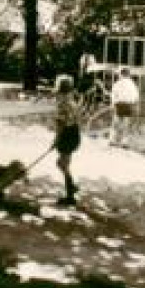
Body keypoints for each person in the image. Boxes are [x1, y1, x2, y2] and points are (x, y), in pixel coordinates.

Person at [53, 74, 83, 206]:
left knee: (61, 163)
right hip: (75, 133)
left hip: (66, 134)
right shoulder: (72, 102)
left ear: (59, 90)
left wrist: (56, 139)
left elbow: (61, 124)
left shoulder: (62, 104)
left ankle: (70, 194)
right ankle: (71, 187)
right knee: (65, 163)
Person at [109, 67, 140, 147]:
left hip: (119, 104)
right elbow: (136, 96)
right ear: (128, 75)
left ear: (121, 74)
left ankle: (112, 140)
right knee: (126, 124)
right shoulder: (132, 84)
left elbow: (113, 95)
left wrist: (113, 104)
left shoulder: (117, 83)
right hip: (128, 105)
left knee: (116, 123)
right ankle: (124, 142)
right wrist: (135, 105)